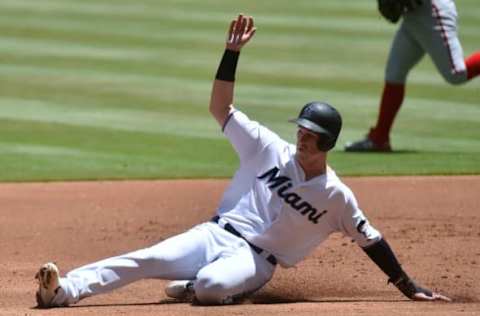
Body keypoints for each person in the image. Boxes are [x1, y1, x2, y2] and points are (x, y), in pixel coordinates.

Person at [35, 14, 451, 308]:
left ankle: (199, 286)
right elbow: (221, 108)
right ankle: (64, 291)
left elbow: (371, 240)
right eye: (301, 130)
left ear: (327, 141)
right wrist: (231, 54)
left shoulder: (337, 197)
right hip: (214, 235)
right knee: (146, 258)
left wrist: (406, 285)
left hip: (255, 262)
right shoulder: (267, 147)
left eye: (310, 134)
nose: (301, 137)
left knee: (214, 288)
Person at [345, 0, 480, 152]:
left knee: (456, 74)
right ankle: (379, 138)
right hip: (412, 15)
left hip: (433, 13)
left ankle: (380, 138)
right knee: (394, 73)